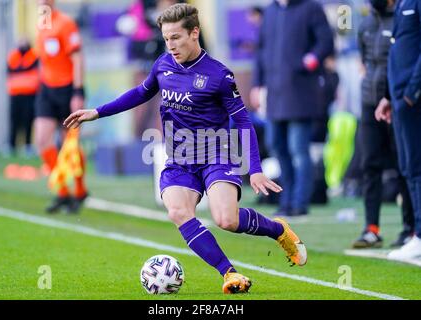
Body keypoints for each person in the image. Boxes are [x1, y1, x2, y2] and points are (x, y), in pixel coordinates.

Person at [64, 3, 307, 293]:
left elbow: (242, 120)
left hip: (216, 153)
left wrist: (254, 169)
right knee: (178, 212)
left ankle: (278, 229)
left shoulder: (220, 75)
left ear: (195, 33)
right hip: (180, 157)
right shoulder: (163, 64)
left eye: (176, 37)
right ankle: (229, 273)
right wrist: (98, 112)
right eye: (166, 39)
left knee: (227, 220)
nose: (171, 45)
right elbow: (141, 93)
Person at [250, 0, 334, 217]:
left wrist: (311, 60)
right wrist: (257, 85)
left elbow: (326, 41)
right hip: (275, 95)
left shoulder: (311, 8)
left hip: (301, 93)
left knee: (298, 149)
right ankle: (286, 200)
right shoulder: (270, 12)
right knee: (276, 145)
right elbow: (261, 51)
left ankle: (299, 202)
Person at [352, 0, 414, 249]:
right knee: (369, 165)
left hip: (397, 103)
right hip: (369, 105)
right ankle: (371, 228)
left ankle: (410, 229)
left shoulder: (402, 19)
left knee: (404, 165)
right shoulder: (366, 24)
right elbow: (365, 62)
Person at [375, 0, 421, 260]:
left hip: (412, 99)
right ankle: (417, 232)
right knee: (409, 168)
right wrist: (390, 97)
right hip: (401, 99)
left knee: (416, 167)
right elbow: (399, 53)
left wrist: (411, 94)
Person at [35, 0, 88, 213]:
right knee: (42, 140)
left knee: (70, 145)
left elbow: (77, 59)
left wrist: (78, 92)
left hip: (68, 90)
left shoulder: (65, 23)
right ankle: (63, 192)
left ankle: (80, 191)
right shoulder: (41, 24)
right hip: (47, 90)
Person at [6, 38, 40, 157]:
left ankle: (27, 145)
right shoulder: (13, 56)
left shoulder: (34, 56)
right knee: (14, 120)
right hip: (15, 93)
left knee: (28, 120)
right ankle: (11, 145)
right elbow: (10, 70)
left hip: (30, 93)